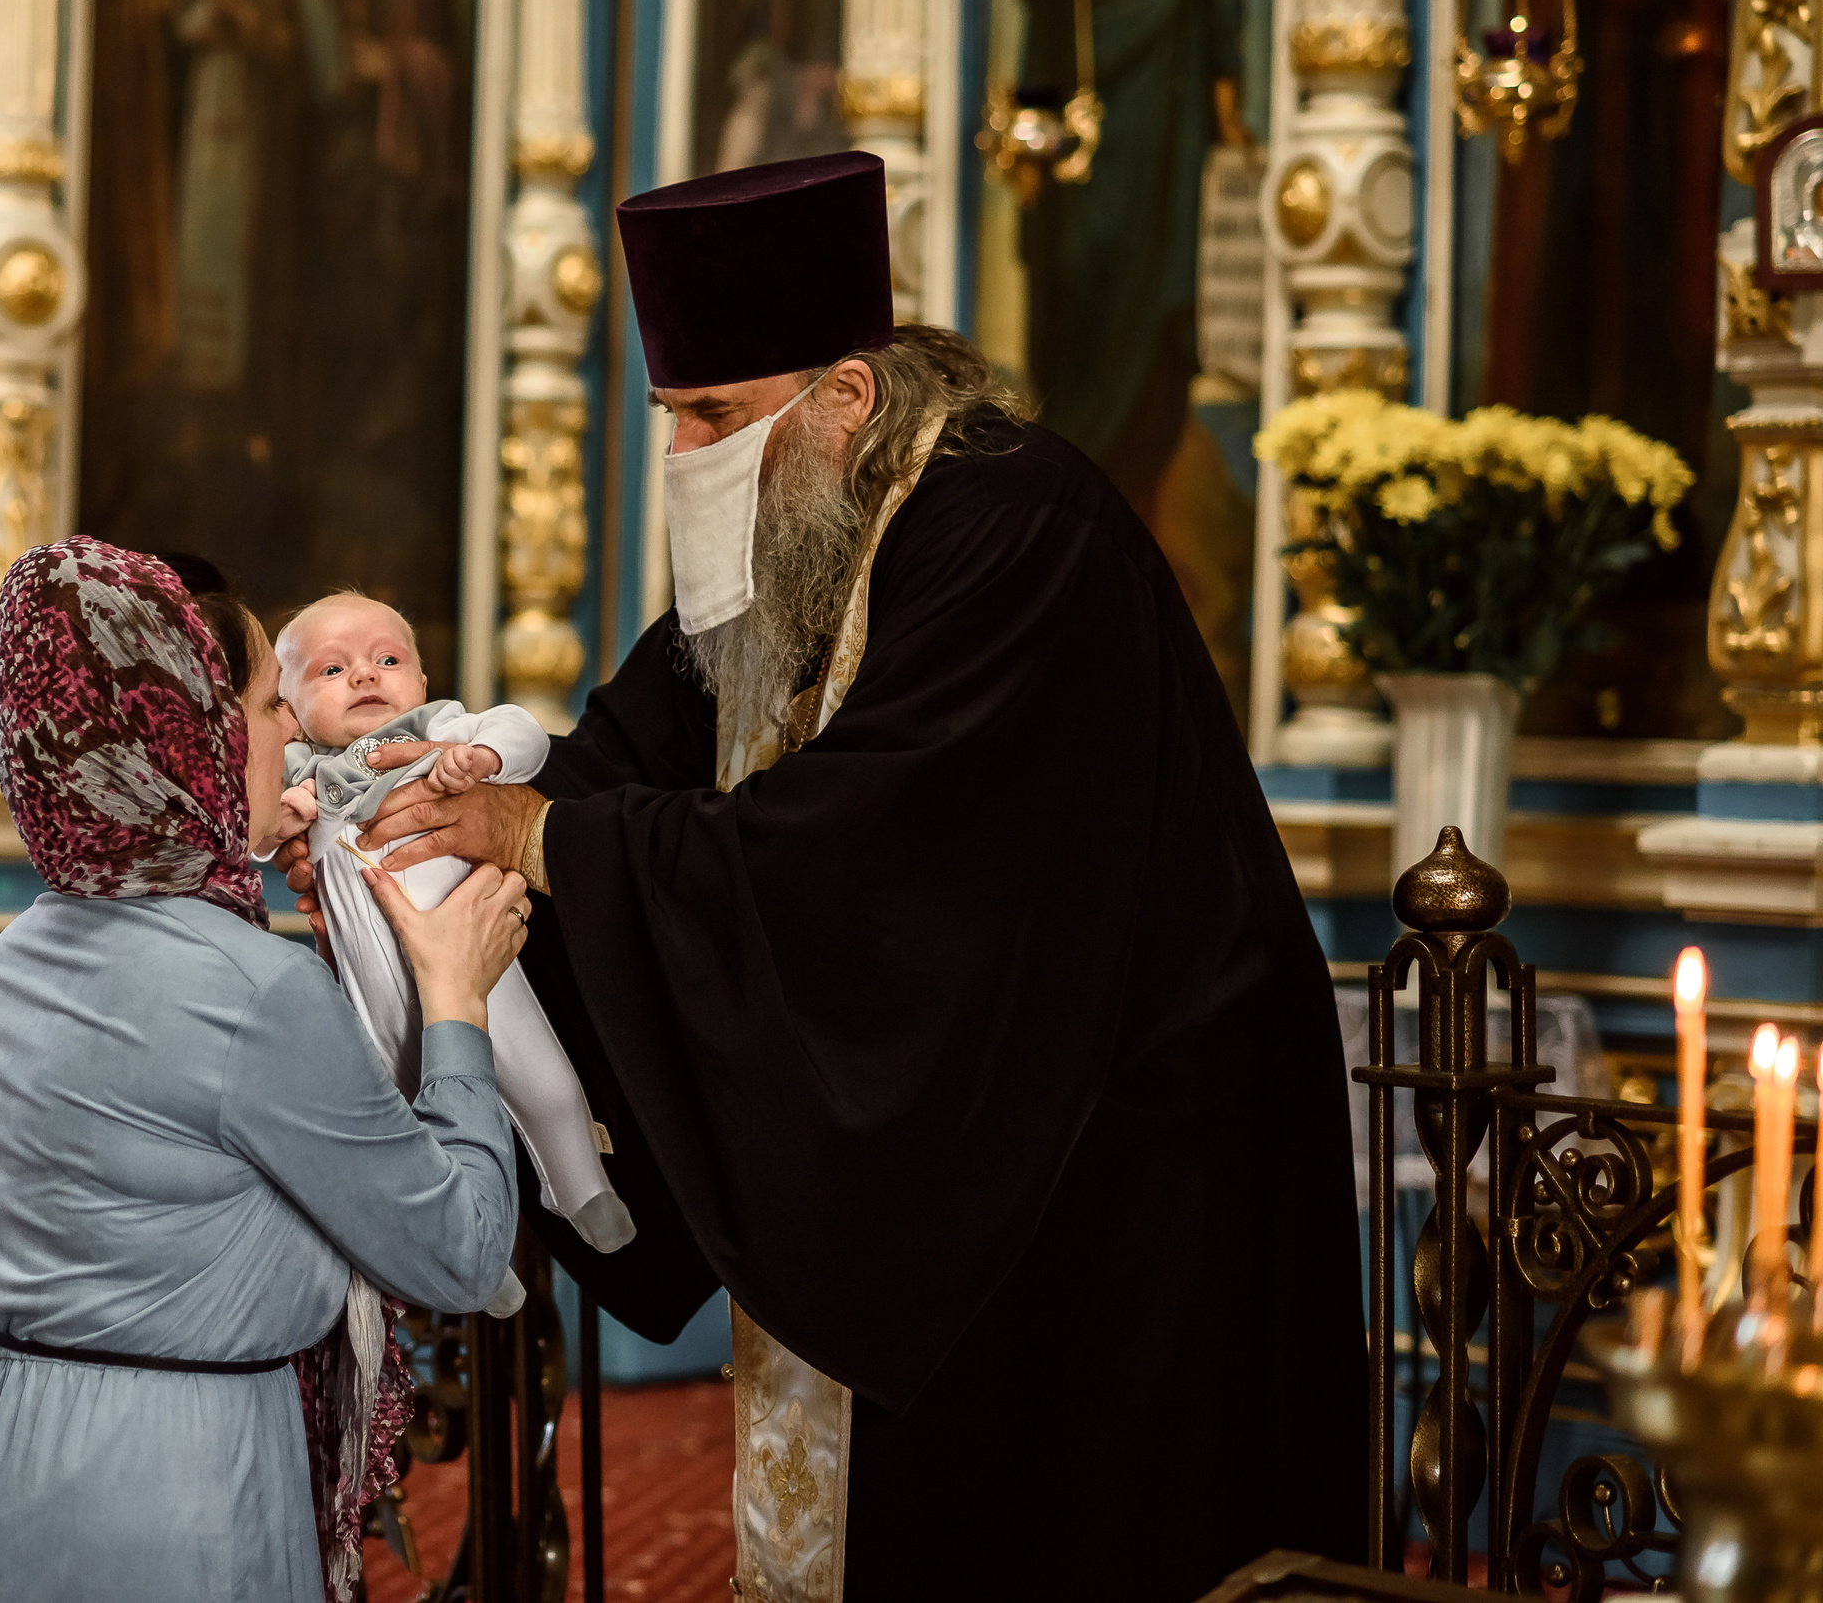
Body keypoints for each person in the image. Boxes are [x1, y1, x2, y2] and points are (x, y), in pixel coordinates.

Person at [284, 151, 1365, 1600]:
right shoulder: (801, 537)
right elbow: (615, 762)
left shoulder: (1013, 525)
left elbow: (874, 862)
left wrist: (545, 840)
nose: (683, 455)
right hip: (975, 1147)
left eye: (713, 417)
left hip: (1117, 1164)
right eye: (672, 418)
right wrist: (419, 823)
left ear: (843, 398)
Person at [0, 541, 531, 1603]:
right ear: (194, 733)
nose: (288, 733)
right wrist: (455, 1002)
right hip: (161, 1491)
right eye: (270, 703)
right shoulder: (251, 985)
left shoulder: (12, 955)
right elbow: (457, 1251)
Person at [273, 591, 635, 1282]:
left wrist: (483, 758)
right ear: (288, 708)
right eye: (331, 669)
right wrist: (285, 822)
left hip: (476, 952)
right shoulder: (300, 772)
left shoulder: (440, 729)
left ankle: (581, 1186)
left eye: (387, 658)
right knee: (404, 1117)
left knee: (546, 1078)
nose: (365, 675)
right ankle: (472, 1255)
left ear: (422, 680)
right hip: (375, 985)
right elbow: (261, 836)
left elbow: (522, 730)